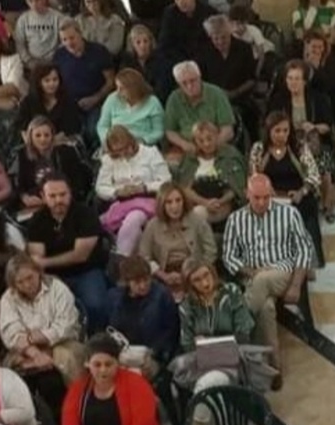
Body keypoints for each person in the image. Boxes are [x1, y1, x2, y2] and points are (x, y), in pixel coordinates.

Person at [221, 174, 316, 376]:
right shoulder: (235, 220)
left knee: (263, 280)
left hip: (283, 272)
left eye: (266, 197)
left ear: (271, 193)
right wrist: (250, 271)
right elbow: (228, 257)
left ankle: (234, 332)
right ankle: (274, 368)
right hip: (252, 276)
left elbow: (304, 250)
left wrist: (296, 285)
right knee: (266, 308)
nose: (262, 202)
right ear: (247, 194)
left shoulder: (289, 214)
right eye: (257, 197)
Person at [0, 255, 85, 425]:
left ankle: (70, 423)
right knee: (18, 383)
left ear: (38, 272)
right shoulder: (8, 298)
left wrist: (32, 337)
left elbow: (64, 326)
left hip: (62, 344)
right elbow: (12, 334)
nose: (27, 285)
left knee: (52, 384)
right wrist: (36, 353)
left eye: (29, 277)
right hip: (27, 352)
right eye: (20, 282)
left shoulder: (58, 289)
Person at [25, 176, 109, 332]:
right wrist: (46, 274)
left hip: (87, 271)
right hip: (52, 276)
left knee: (95, 305)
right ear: (43, 197)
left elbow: (80, 255)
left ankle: (96, 339)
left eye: (63, 194)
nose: (58, 200)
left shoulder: (86, 214)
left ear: (70, 193)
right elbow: (37, 259)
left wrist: (46, 263)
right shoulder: (37, 220)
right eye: (52, 196)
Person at [174, 259, 262, 391]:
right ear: (190, 284)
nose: (204, 283)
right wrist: (201, 347)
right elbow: (187, 344)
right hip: (203, 361)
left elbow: (244, 333)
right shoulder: (186, 306)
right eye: (197, 280)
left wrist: (208, 343)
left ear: (213, 273)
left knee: (212, 383)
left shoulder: (231, 292)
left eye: (206, 275)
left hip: (235, 354)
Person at [267, 57, 335, 219]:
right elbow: (270, 124)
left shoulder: (317, 98)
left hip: (313, 143)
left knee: (324, 165)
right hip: (287, 144)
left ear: (304, 81)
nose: (293, 83)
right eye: (290, 78)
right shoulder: (278, 100)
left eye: (297, 79)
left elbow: (327, 125)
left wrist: (313, 127)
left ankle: (327, 206)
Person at [250, 111, 324, 258]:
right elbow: (254, 175)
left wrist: (302, 191)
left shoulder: (299, 147)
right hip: (269, 196)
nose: (282, 135)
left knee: (306, 207)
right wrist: (266, 190)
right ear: (269, 131)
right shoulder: (258, 149)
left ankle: (307, 257)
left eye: (285, 130)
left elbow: (314, 174)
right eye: (277, 131)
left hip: (297, 194)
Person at [96, 125, 169, 256]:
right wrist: (117, 192)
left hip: (148, 199)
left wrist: (144, 187)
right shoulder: (109, 160)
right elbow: (100, 187)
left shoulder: (150, 152)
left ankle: (121, 258)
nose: (123, 153)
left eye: (125, 148)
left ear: (131, 141)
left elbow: (166, 180)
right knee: (96, 222)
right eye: (118, 151)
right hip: (121, 202)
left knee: (134, 218)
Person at [138, 182, 217, 301]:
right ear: (162, 204)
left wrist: (191, 274)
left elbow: (211, 251)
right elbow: (144, 257)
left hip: (194, 273)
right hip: (163, 275)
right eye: (169, 202)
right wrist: (163, 275)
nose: (175, 206)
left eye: (178, 200)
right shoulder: (152, 225)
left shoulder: (196, 220)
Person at [105, 256, 180, 374]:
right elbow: (110, 329)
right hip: (123, 354)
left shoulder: (162, 296)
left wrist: (154, 352)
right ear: (127, 282)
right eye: (137, 282)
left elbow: (170, 332)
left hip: (151, 355)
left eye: (146, 280)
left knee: (136, 374)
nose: (143, 285)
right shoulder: (113, 298)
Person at [174, 119, 247, 226]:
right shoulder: (190, 159)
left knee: (196, 215)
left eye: (209, 139)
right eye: (201, 141)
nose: (206, 144)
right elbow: (185, 188)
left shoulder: (230, 155)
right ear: (195, 142)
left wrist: (219, 202)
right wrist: (204, 202)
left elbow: (235, 188)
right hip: (195, 203)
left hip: (223, 204)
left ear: (217, 136)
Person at [15, 115, 92, 213]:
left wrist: (52, 199)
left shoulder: (67, 152)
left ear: (52, 136)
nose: (43, 139)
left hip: (62, 200)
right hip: (35, 203)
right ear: (31, 137)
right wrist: (24, 198)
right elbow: (19, 185)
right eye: (38, 135)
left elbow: (78, 185)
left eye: (46, 135)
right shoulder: (22, 155)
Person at [198, 12, 258, 136]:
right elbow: (201, 80)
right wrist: (217, 94)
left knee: (251, 116)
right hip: (213, 98)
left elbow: (252, 79)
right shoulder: (204, 51)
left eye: (224, 37)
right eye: (215, 38)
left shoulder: (244, 49)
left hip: (240, 96)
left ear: (230, 33)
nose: (220, 42)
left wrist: (234, 93)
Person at [53, 20, 116, 137]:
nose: (69, 43)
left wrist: (95, 98)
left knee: (93, 131)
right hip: (70, 103)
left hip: (98, 102)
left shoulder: (99, 51)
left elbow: (111, 81)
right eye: (64, 40)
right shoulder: (59, 56)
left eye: (72, 38)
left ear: (80, 33)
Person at [164, 60, 235, 156]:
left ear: (200, 77)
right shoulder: (174, 98)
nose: (189, 86)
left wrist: (210, 147)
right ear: (178, 84)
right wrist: (184, 144)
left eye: (193, 80)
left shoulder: (216, 93)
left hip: (216, 146)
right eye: (184, 83)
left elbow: (228, 130)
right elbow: (170, 131)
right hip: (186, 149)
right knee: (170, 164)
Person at [97, 66, 166, 148]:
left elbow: (159, 131)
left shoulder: (152, 102)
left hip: (141, 146)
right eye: (117, 87)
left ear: (133, 88)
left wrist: (144, 140)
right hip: (116, 145)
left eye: (122, 88)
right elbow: (102, 126)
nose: (118, 92)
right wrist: (107, 141)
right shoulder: (112, 98)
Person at [16, 62, 84, 140]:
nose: (52, 84)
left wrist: (48, 144)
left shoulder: (67, 101)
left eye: (55, 79)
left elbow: (69, 130)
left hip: (60, 143)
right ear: (39, 82)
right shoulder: (28, 101)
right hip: (32, 144)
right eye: (47, 80)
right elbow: (22, 128)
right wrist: (32, 144)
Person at [158, 0, 216, 66]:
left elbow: (212, 42)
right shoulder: (170, 13)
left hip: (204, 59)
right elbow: (165, 42)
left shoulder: (209, 13)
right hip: (179, 59)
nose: (180, 2)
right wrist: (182, 62)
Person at [14, 0, 65, 67]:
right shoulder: (23, 19)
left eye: (37, 0)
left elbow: (63, 41)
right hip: (31, 62)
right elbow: (20, 43)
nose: (34, 4)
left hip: (54, 61)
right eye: (30, 1)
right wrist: (28, 60)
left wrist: (56, 58)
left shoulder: (57, 17)